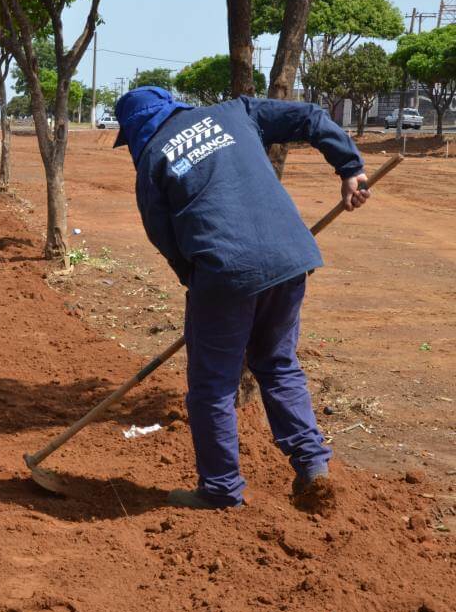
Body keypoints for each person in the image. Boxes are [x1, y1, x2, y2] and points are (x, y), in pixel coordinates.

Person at [113, 87, 368, 511]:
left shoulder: (154, 159)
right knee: (278, 365)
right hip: (290, 257)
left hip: (222, 270)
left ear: (137, 127)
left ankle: (220, 490)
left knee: (212, 387)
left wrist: (199, 286)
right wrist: (350, 166)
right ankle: (313, 466)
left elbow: (164, 237)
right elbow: (309, 117)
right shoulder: (237, 112)